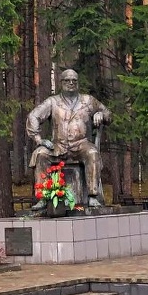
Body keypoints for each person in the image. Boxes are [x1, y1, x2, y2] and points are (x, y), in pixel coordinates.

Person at [27, 69, 111, 209]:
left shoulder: (88, 100)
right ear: (61, 83)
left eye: (74, 80)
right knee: (41, 154)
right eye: (67, 80)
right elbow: (33, 116)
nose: (71, 83)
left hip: (81, 145)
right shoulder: (53, 102)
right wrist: (38, 139)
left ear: (78, 83)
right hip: (58, 146)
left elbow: (108, 113)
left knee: (92, 153)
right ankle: (42, 197)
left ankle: (92, 196)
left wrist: (101, 114)